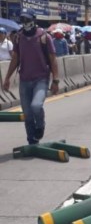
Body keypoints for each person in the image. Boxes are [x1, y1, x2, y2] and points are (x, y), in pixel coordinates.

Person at [1, 8, 59, 145]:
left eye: (27, 19)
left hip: (41, 79)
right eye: (22, 19)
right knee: (27, 113)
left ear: (33, 20)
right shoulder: (19, 37)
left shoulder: (44, 37)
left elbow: (53, 59)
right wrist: (7, 78)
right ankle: (32, 140)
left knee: (36, 106)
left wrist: (55, 80)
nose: (25, 22)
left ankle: (40, 124)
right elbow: (15, 59)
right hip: (24, 80)